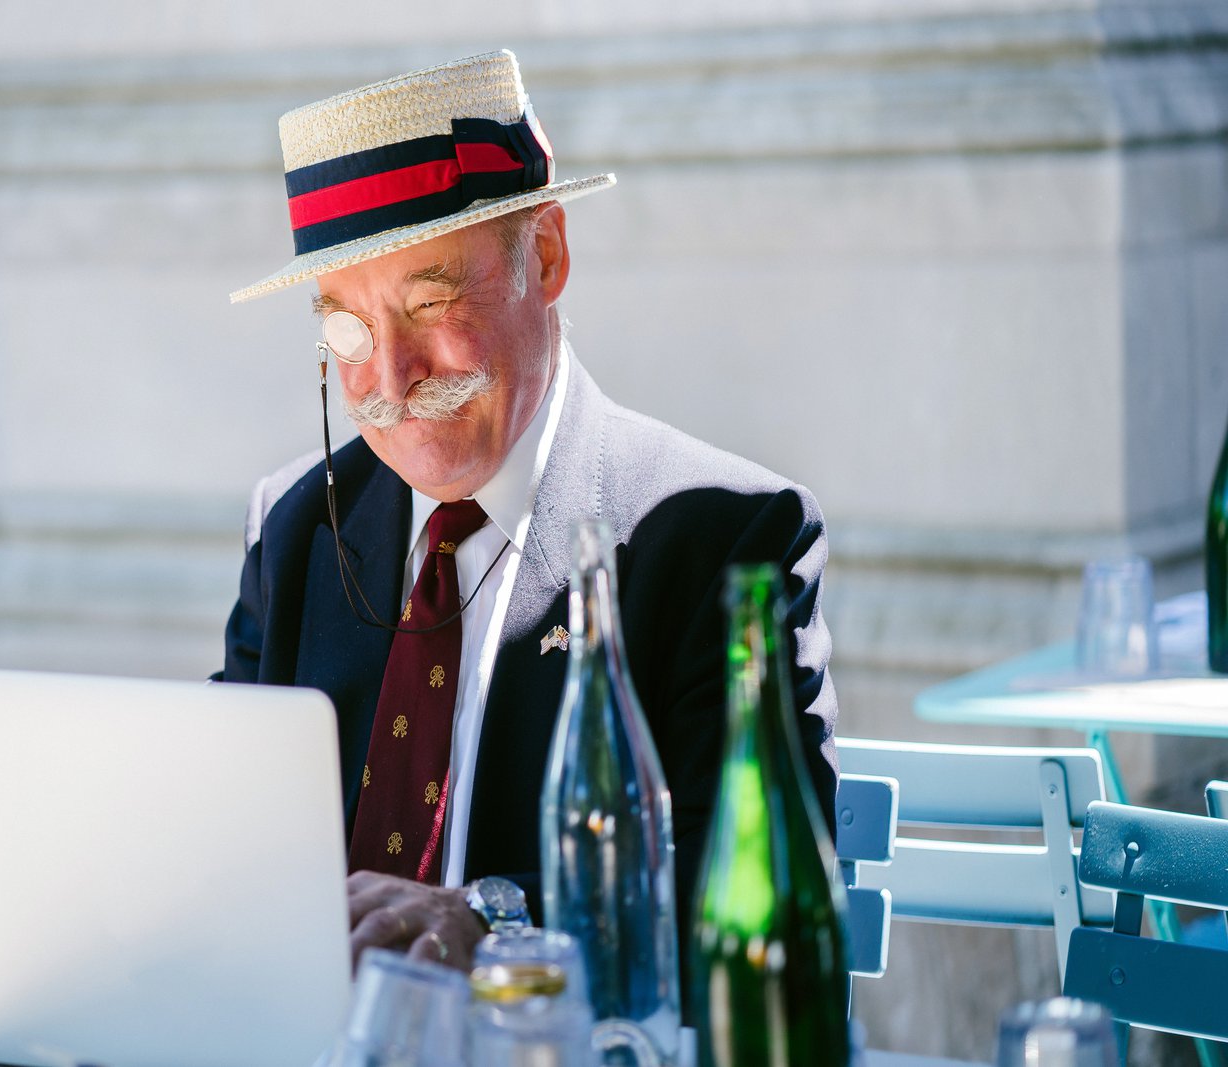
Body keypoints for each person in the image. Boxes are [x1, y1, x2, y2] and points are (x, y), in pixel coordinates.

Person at [215, 50, 838, 974]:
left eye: (430, 302)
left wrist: (492, 923)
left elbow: (754, 890)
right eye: (347, 329)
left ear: (545, 256)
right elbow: (220, 836)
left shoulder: (725, 539)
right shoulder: (296, 528)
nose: (391, 377)